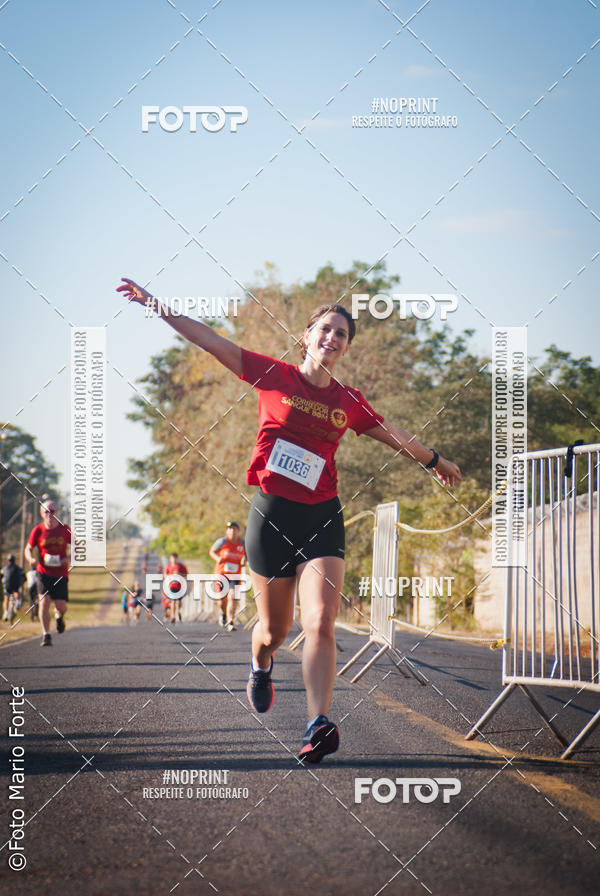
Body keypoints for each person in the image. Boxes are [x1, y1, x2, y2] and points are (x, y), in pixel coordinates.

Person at [117, 277, 462, 762]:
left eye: (341, 334)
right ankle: (261, 665)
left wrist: (435, 460)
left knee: (320, 620)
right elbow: (210, 340)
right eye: (325, 329)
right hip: (272, 514)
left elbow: (393, 434)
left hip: (322, 515)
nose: (332, 337)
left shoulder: (348, 401)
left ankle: (317, 723)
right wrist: (155, 304)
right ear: (307, 336)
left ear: (346, 347)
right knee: (275, 631)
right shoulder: (273, 375)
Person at [25, 501, 71, 647]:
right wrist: (31, 559)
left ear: (57, 512)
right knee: (44, 603)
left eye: (52, 511)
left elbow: (78, 546)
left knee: (61, 606)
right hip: (43, 572)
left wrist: (69, 558)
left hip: (61, 573)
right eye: (46, 511)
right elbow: (28, 548)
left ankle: (59, 617)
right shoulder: (38, 530)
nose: (49, 514)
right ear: (41, 514)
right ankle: (46, 635)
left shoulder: (64, 529)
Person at [209, 521, 246, 631]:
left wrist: (244, 560)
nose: (232, 531)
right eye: (230, 529)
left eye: (234, 529)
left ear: (238, 531)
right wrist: (218, 558)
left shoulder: (242, 543)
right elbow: (212, 552)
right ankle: (223, 614)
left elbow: (247, 555)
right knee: (222, 600)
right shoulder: (222, 542)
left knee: (233, 596)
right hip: (221, 574)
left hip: (235, 576)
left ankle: (231, 621)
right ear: (226, 531)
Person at [163, 552, 188, 623]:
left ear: (177, 558)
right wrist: (169, 577)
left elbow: (186, 574)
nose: (173, 560)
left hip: (180, 586)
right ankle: (173, 616)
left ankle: (178, 611)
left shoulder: (181, 566)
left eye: (175, 558)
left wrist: (180, 574)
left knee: (178, 602)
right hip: (172, 586)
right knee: (173, 601)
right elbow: (165, 574)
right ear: (170, 559)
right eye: (172, 558)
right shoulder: (168, 566)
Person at [2, 554, 25, 622]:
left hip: (7, 585)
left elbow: (1, 576)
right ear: (14, 560)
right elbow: (23, 576)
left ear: (8, 560)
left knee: (6, 597)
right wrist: (22, 582)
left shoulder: (4, 568)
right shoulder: (18, 568)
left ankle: (5, 613)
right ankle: (18, 603)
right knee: (16, 592)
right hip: (15, 585)